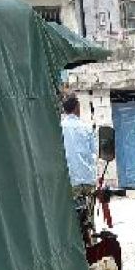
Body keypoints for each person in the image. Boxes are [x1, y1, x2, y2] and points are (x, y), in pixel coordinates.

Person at [60, 94, 98, 235]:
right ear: (77, 108)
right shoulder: (86, 128)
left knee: (73, 219)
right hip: (88, 178)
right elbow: (95, 152)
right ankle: (91, 242)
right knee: (89, 216)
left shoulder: (59, 128)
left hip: (70, 180)